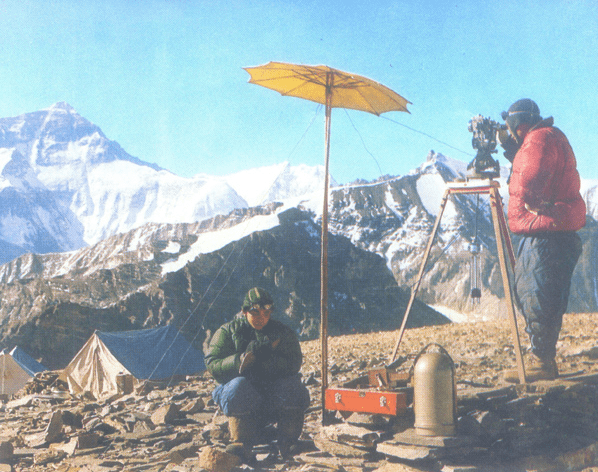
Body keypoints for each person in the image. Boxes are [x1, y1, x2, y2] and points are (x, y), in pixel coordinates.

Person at [499, 98, 586, 381]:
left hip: (543, 229)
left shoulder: (536, 141)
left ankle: (540, 361)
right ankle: (542, 358)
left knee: (534, 290)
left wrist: (519, 161)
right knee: (544, 293)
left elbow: (531, 181)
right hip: (557, 226)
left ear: (517, 125)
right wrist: (518, 155)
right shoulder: (550, 136)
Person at [204, 287, 310, 461]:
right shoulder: (227, 332)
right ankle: (240, 442)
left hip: (271, 393)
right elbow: (212, 364)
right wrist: (239, 361)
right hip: (240, 395)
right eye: (255, 312)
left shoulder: (281, 333)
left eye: (266, 313)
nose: (262, 318)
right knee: (238, 386)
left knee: (293, 387)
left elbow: (293, 363)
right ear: (245, 311)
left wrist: (264, 361)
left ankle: (289, 441)